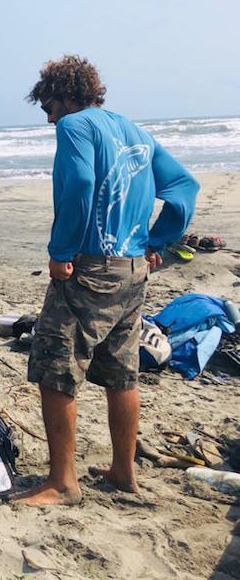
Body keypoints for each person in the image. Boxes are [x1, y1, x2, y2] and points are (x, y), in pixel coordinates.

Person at [15, 55, 199, 506]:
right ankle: (123, 470)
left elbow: (79, 182)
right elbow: (184, 189)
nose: (48, 116)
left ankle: (62, 482)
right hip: (133, 268)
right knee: (122, 374)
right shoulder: (136, 132)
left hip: (91, 265)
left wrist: (61, 251)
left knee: (57, 370)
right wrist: (159, 240)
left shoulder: (76, 126)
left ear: (64, 95)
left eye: (48, 106)